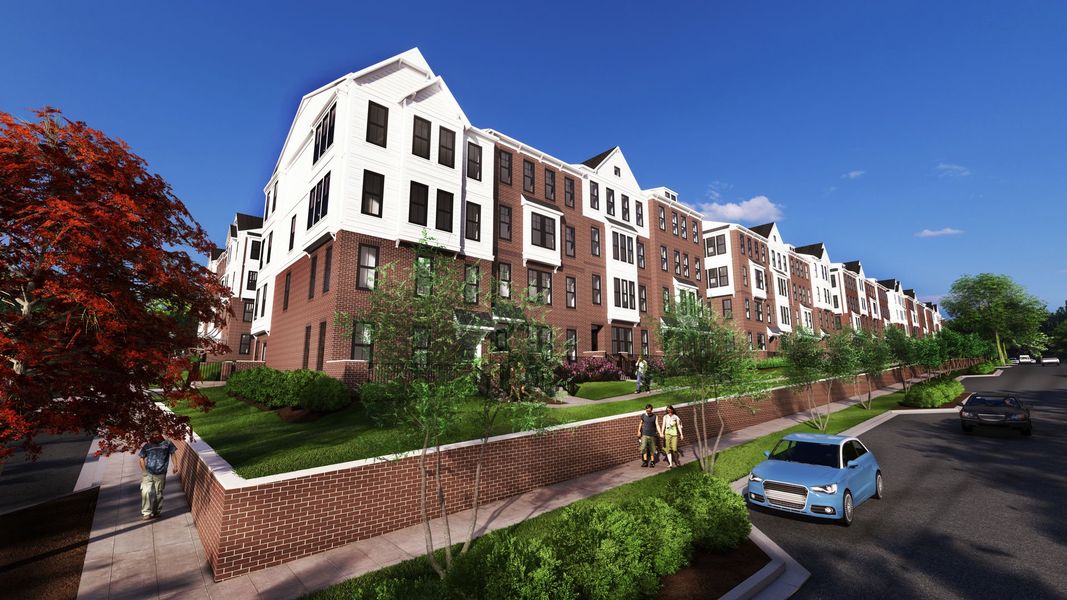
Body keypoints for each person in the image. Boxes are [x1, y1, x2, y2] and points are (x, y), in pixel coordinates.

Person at [138, 431, 177, 520]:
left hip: (161, 473)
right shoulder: (147, 446)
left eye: (156, 434)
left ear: (160, 434)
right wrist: (144, 471)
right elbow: (141, 459)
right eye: (153, 434)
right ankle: (146, 513)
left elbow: (173, 454)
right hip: (148, 473)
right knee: (145, 492)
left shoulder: (167, 444)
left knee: (158, 494)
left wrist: (175, 465)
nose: (155, 436)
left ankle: (156, 512)